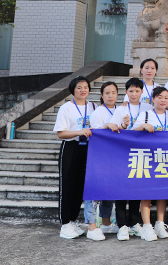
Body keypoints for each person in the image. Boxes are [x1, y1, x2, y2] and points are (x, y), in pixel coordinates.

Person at [106, 78, 152, 240]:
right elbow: (112, 128)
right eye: (131, 91)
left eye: (137, 91)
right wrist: (122, 126)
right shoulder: (120, 109)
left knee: (136, 187)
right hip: (123, 153)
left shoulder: (147, 108)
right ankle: (122, 225)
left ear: (142, 92)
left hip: (141, 152)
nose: (134, 94)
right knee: (121, 188)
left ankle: (134, 222)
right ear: (126, 92)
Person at [54, 76, 100, 240]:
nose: (83, 90)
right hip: (71, 148)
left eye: (85, 87)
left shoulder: (94, 107)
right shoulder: (66, 108)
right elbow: (61, 133)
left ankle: (73, 221)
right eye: (79, 87)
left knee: (80, 187)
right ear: (73, 90)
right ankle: (65, 224)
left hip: (88, 149)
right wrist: (79, 132)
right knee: (67, 186)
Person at [131, 87, 168, 241]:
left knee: (162, 193)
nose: (163, 100)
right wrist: (142, 127)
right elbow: (131, 133)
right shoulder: (145, 115)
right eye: (159, 97)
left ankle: (160, 223)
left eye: (166, 98)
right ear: (153, 99)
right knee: (147, 193)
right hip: (147, 158)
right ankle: (147, 225)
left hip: (165, 158)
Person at [89, 81, 120, 236]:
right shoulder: (99, 112)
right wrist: (106, 126)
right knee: (97, 191)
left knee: (110, 189)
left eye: (113, 92)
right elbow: (95, 134)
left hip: (115, 156)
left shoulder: (120, 110)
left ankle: (106, 223)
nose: (110, 96)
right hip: (100, 156)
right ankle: (93, 225)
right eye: (107, 93)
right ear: (102, 95)